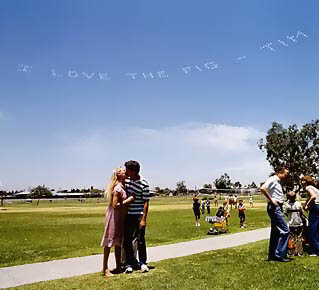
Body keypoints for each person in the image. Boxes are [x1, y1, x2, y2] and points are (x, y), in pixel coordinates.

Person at [100, 168, 134, 276]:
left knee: (118, 243)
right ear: (119, 174)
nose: (126, 171)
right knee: (109, 243)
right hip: (114, 217)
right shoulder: (118, 188)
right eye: (123, 170)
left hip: (121, 218)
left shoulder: (123, 186)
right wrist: (128, 200)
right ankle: (105, 269)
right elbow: (115, 206)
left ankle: (119, 266)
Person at [123, 160, 150, 274]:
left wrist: (143, 219)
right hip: (128, 215)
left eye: (127, 170)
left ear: (133, 171)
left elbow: (146, 202)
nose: (126, 172)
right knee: (127, 240)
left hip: (138, 215)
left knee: (140, 240)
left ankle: (143, 263)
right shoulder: (127, 181)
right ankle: (129, 264)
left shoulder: (144, 183)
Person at [261, 167, 290, 262]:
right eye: (285, 175)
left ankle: (272, 255)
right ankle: (279, 255)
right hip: (274, 207)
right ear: (279, 173)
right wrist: (271, 199)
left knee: (275, 232)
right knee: (285, 230)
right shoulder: (273, 179)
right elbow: (263, 188)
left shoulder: (278, 182)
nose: (286, 177)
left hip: (277, 207)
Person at [301, 176, 319, 256]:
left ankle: (315, 250)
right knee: (317, 228)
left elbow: (313, 197)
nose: (301, 182)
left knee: (312, 228)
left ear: (307, 181)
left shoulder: (308, 187)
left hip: (315, 208)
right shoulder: (313, 187)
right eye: (301, 180)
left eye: (303, 180)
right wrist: (306, 203)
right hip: (317, 207)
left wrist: (306, 205)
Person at [284, 191, 303, 256]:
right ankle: (299, 252)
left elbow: (286, 213)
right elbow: (301, 212)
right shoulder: (298, 204)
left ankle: (292, 252)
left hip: (291, 223)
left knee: (292, 238)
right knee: (299, 237)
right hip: (299, 223)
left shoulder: (287, 204)